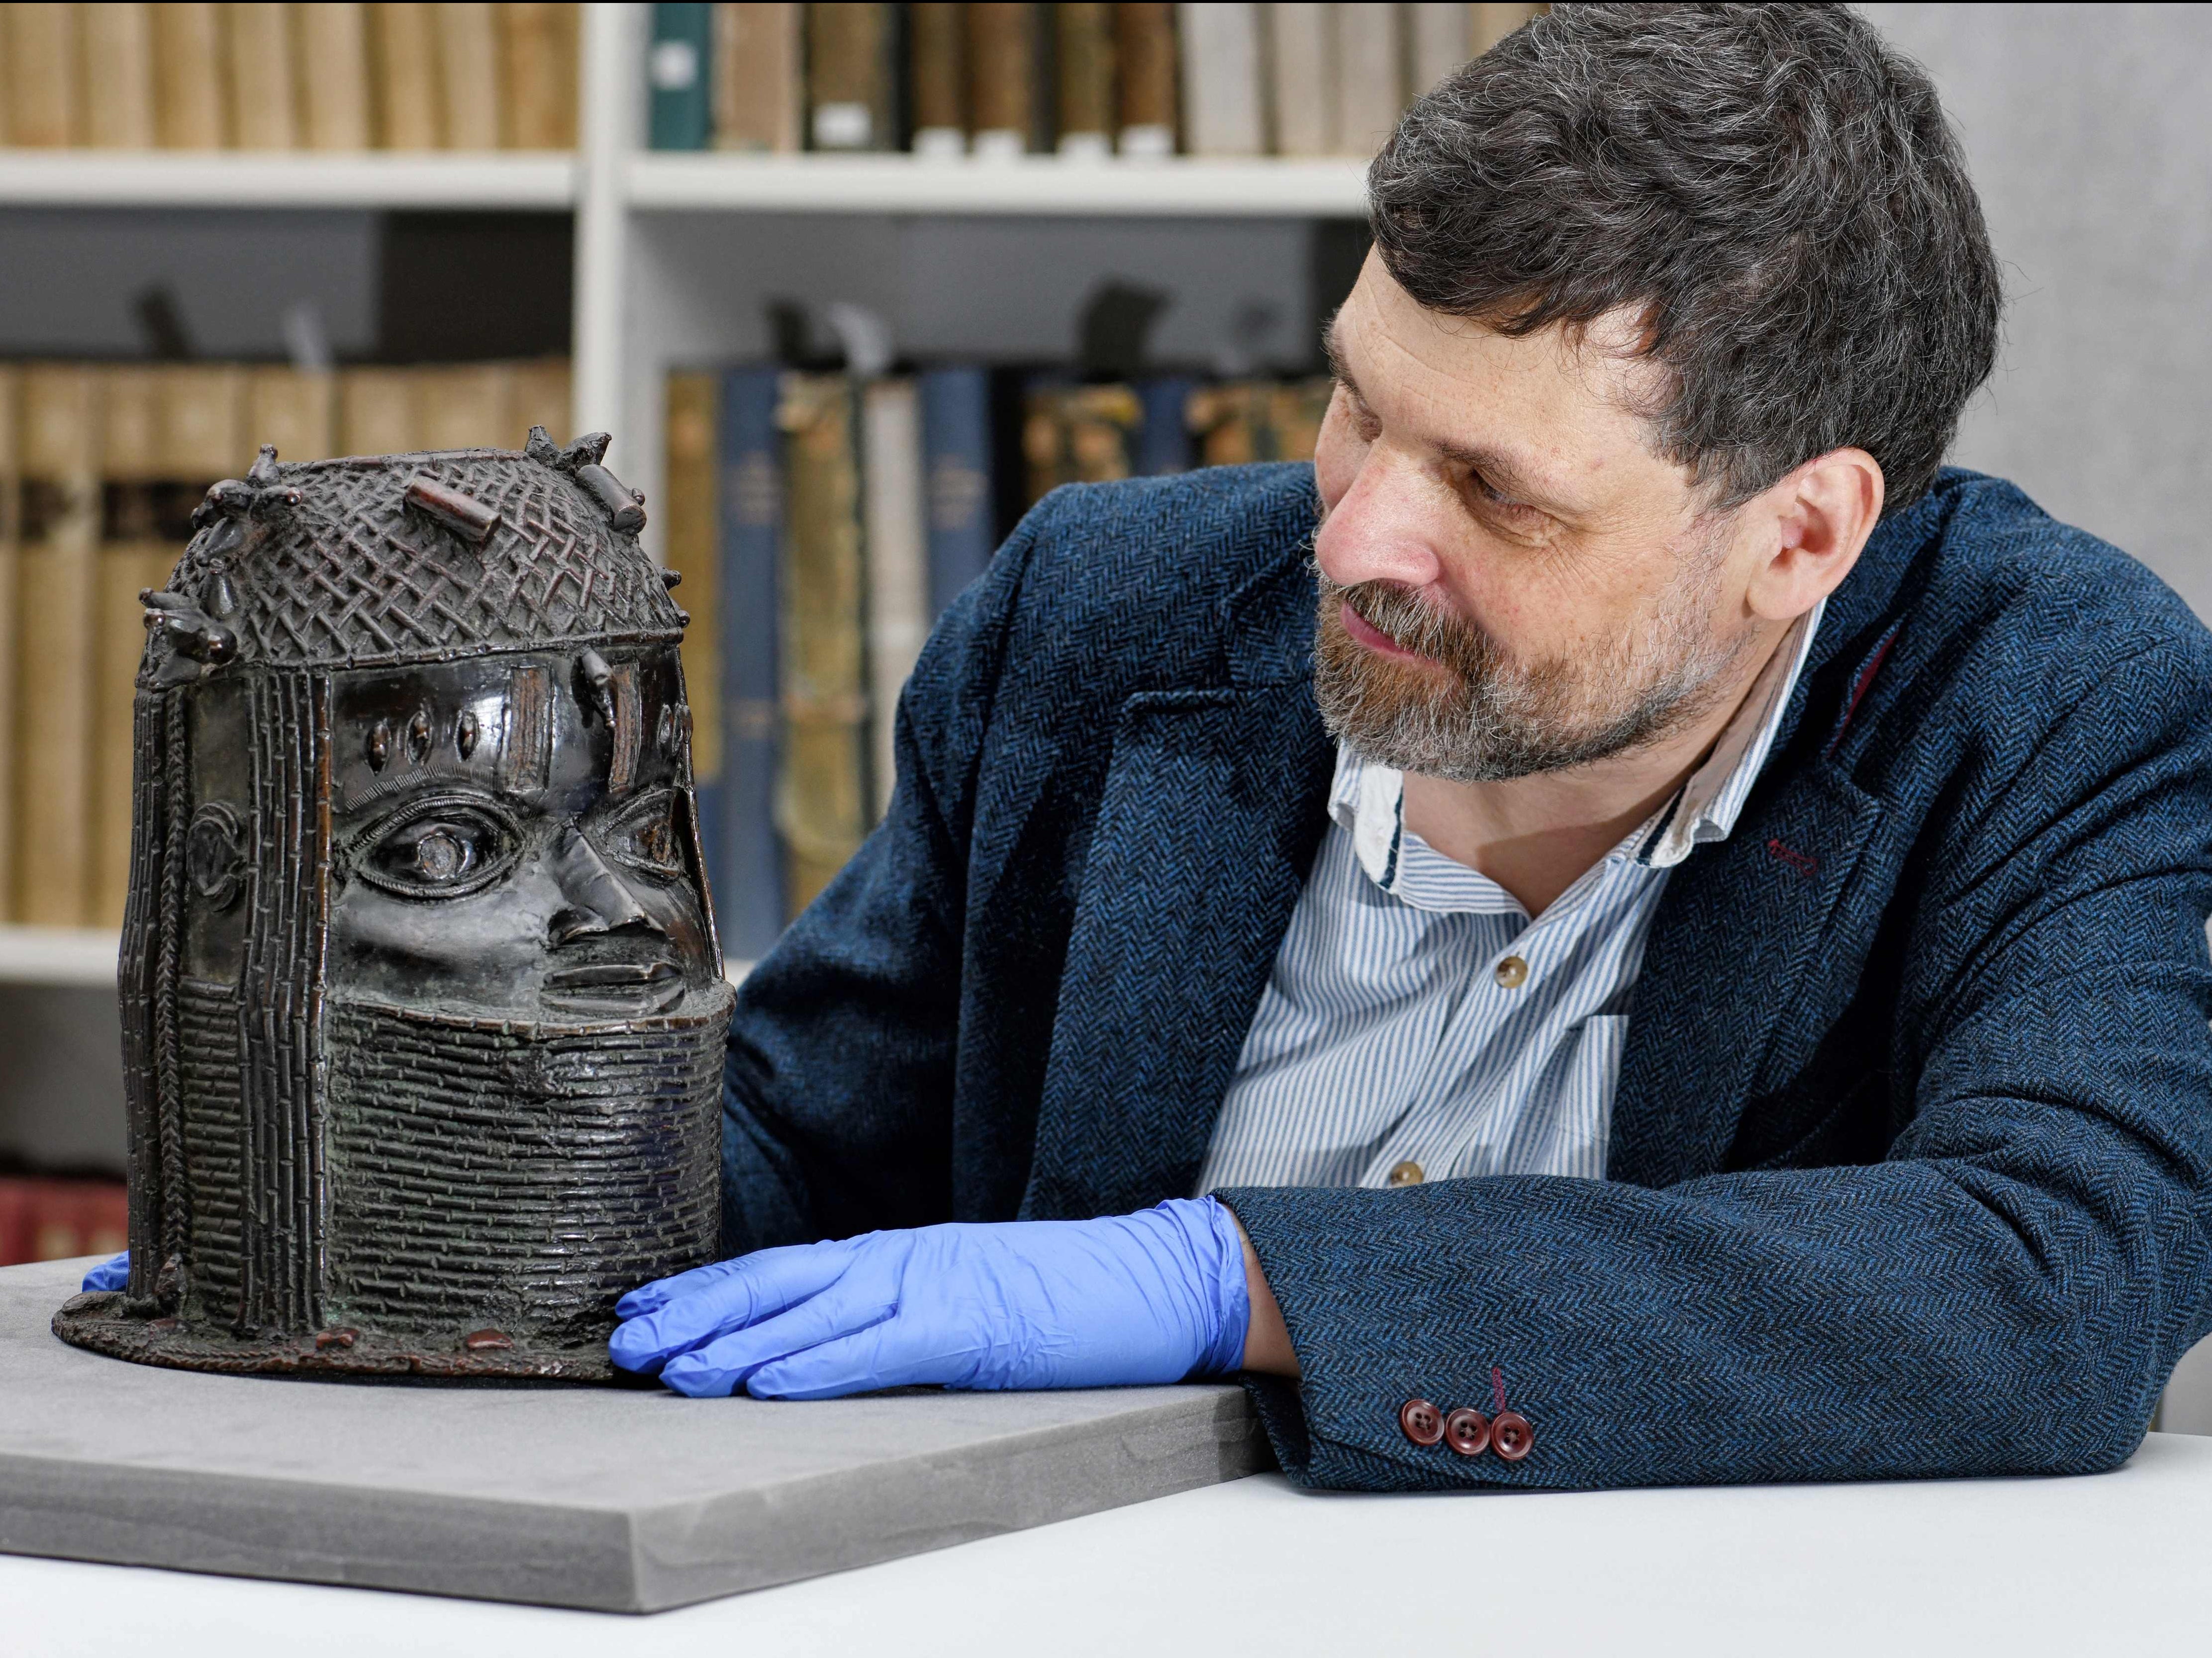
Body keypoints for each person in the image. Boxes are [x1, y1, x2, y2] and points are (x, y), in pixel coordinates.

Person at [609, 2, 2212, 1490]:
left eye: (1497, 492)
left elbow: (2057, 1278)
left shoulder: (2049, 699)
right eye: (1359, 410)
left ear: (1799, 537)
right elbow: (776, 1147)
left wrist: (1232, 1281)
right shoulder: (1099, 617)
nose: (1359, 539)